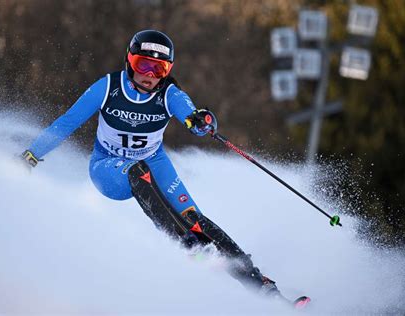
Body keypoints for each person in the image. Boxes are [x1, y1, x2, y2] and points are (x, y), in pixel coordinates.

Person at [21, 29, 309, 308]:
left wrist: (202, 121)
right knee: (138, 173)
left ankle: (260, 285)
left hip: (154, 162)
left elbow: (191, 114)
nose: (149, 75)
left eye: (158, 69)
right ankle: (185, 244)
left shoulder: (169, 93)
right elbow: (68, 121)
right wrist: (32, 155)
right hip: (108, 168)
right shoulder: (108, 87)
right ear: (129, 61)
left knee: (196, 220)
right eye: (143, 65)